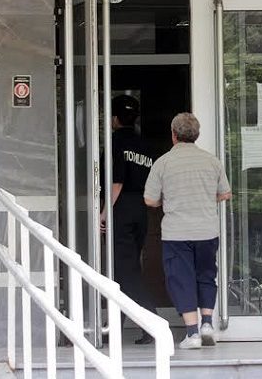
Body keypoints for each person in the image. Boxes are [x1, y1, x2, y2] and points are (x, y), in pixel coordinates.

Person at [143, 113, 232, 350]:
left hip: (177, 233)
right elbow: (225, 193)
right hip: (207, 231)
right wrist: (205, 197)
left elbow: (150, 200)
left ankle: (192, 333)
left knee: (181, 279)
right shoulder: (212, 161)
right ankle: (207, 324)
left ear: (173, 134)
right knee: (206, 275)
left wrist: (167, 200)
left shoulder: (163, 162)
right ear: (197, 135)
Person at [102, 94, 156, 345]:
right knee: (126, 269)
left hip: (121, 208)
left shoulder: (115, 142)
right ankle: (114, 325)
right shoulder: (145, 145)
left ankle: (152, 323)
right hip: (141, 209)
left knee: (126, 270)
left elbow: (117, 182)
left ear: (114, 118)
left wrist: (104, 212)